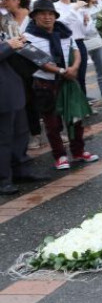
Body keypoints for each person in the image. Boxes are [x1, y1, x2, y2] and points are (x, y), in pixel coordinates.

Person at [26, 0, 101, 169]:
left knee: (75, 118)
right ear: (35, 17)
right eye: (42, 14)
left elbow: (76, 50)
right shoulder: (28, 36)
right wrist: (61, 71)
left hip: (69, 80)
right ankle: (60, 156)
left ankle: (78, 152)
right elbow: (38, 60)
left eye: (50, 14)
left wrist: (74, 67)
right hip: (45, 83)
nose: (47, 17)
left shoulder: (65, 31)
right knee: (52, 123)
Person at [1, 26, 45, 194]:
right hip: (3, 95)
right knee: (3, 138)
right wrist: (8, 46)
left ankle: (21, 171)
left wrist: (20, 44)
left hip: (14, 89)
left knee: (20, 132)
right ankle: (3, 179)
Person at [1, 0, 44, 150]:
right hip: (18, 65)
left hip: (37, 61)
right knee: (27, 99)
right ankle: (35, 134)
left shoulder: (32, 16)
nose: (3, 2)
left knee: (44, 96)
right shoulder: (5, 20)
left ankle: (57, 130)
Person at [53, 0, 91, 96]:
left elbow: (85, 31)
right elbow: (61, 24)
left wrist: (86, 22)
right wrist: (75, 9)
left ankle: (83, 105)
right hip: (64, 44)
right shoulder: (55, 7)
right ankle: (70, 105)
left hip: (79, 43)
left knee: (81, 76)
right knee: (68, 76)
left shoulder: (78, 6)